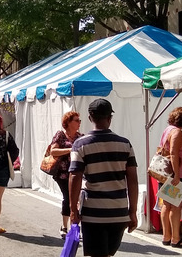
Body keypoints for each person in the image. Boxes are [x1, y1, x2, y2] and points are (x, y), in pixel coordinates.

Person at [69, 99, 138, 257]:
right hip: (119, 212)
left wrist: (73, 210)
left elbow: (75, 177)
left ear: (90, 117)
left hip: (94, 212)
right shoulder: (125, 144)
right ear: (110, 118)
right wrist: (132, 211)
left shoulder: (80, 144)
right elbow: (132, 180)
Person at [158, 107, 182, 248]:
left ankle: (166, 236)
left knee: (166, 205)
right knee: (176, 207)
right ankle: (175, 238)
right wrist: (177, 175)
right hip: (177, 174)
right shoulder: (177, 132)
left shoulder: (168, 129)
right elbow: (173, 153)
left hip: (166, 174)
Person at [49, 109, 83, 238]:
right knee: (68, 198)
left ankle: (73, 227)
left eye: (79, 120)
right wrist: (71, 149)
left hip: (77, 173)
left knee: (76, 199)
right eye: (76, 120)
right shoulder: (60, 135)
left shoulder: (81, 137)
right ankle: (65, 226)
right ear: (68, 122)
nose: (79, 122)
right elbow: (53, 151)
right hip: (63, 173)